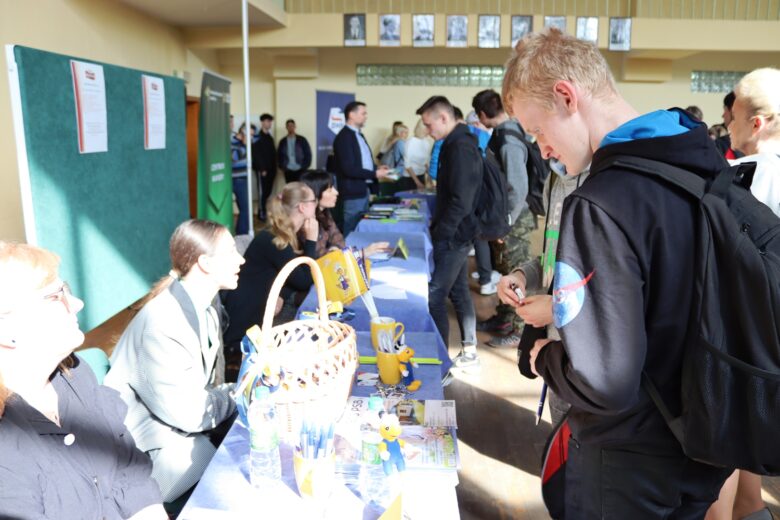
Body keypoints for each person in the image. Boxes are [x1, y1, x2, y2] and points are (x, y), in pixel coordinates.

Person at [502, 28, 732, 517]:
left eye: (539, 129)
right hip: (705, 431)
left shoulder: (602, 202)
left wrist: (543, 357)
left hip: (631, 456)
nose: (542, 149)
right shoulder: (700, 162)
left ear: (566, 95)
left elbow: (603, 380)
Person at [0, 242, 165, 519]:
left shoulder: (74, 373)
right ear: (6, 331)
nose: (77, 303)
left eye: (67, 290)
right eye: (55, 297)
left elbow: (129, 470)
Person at [105, 219, 244, 503]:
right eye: (231, 252)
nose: (240, 259)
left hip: (178, 429)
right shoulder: (163, 324)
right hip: (148, 451)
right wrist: (237, 393)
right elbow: (191, 414)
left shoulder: (207, 304)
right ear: (204, 262)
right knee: (235, 477)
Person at [704, 67, 780, 520]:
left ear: (756, 122)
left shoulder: (735, 178)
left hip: (743, 345)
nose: (726, 126)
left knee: (726, 471)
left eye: (731, 117)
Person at [416, 96, 482, 369]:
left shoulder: (461, 147)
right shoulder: (453, 143)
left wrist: (442, 233)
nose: (428, 131)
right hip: (455, 232)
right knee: (458, 292)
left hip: (454, 235)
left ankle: (441, 361)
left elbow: (461, 200)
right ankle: (469, 351)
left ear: (444, 118)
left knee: (435, 295)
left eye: (429, 125)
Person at [472, 89, 537, 349]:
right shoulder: (503, 134)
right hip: (507, 218)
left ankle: (520, 332)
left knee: (518, 277)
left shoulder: (508, 139)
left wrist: (506, 222)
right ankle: (504, 318)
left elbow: (517, 187)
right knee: (505, 272)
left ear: (482, 114)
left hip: (515, 221)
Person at [223, 182, 319, 352]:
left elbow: (288, 277)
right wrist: (312, 240)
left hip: (258, 315)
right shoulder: (275, 240)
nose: (316, 204)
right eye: (314, 201)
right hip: (245, 331)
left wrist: (281, 293)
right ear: (303, 207)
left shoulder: (280, 234)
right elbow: (304, 280)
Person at [299, 170, 390, 258]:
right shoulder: (306, 222)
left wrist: (334, 250)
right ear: (316, 193)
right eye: (330, 190)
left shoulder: (324, 213)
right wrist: (363, 253)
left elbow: (339, 240)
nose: (336, 192)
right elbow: (319, 258)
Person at [332, 101, 390, 234]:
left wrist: (377, 168)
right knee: (352, 228)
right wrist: (375, 174)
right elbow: (348, 168)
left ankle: (361, 254)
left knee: (361, 228)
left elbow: (363, 162)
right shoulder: (344, 137)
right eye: (363, 113)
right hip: (353, 192)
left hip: (364, 190)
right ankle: (350, 255)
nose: (366, 116)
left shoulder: (359, 135)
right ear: (351, 115)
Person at [252, 113, 277, 220]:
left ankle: (263, 210)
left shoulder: (270, 137)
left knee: (268, 191)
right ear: (262, 122)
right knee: (262, 192)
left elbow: (272, 154)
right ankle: (261, 213)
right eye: (267, 121)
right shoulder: (257, 137)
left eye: (270, 121)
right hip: (262, 171)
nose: (269, 123)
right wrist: (262, 168)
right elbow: (256, 154)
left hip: (271, 170)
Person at [231, 123, 251, 235]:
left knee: (245, 209)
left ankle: (243, 232)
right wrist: (246, 162)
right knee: (244, 209)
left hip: (243, 179)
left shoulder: (243, 144)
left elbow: (257, 135)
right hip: (235, 179)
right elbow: (233, 162)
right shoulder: (234, 144)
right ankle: (241, 233)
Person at [277, 119, 312, 183]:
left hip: (300, 168)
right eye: (289, 126)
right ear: (286, 127)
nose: (290, 127)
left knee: (300, 188)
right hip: (288, 169)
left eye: (292, 125)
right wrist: (282, 166)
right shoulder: (283, 141)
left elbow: (308, 153)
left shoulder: (302, 140)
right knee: (290, 188)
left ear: (295, 127)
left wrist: (305, 165)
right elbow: (279, 155)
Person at [402, 119, 433, 191]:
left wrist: (430, 179)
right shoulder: (410, 143)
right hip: (410, 178)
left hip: (421, 176)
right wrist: (417, 182)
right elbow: (407, 165)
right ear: (423, 129)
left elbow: (426, 163)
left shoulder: (426, 142)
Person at [714, 91, 743, 160]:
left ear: (733, 111)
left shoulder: (720, 145)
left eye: (725, 110)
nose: (723, 115)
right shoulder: (759, 144)